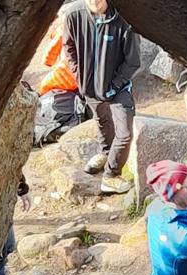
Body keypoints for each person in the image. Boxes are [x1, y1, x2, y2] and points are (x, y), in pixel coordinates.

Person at [63, 0, 140, 195]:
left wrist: (114, 86)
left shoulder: (124, 20)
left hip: (118, 88)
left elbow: (133, 61)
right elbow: (68, 47)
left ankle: (111, 175)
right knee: (102, 120)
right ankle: (105, 154)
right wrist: (80, 78)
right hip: (90, 88)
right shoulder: (74, 15)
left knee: (124, 134)